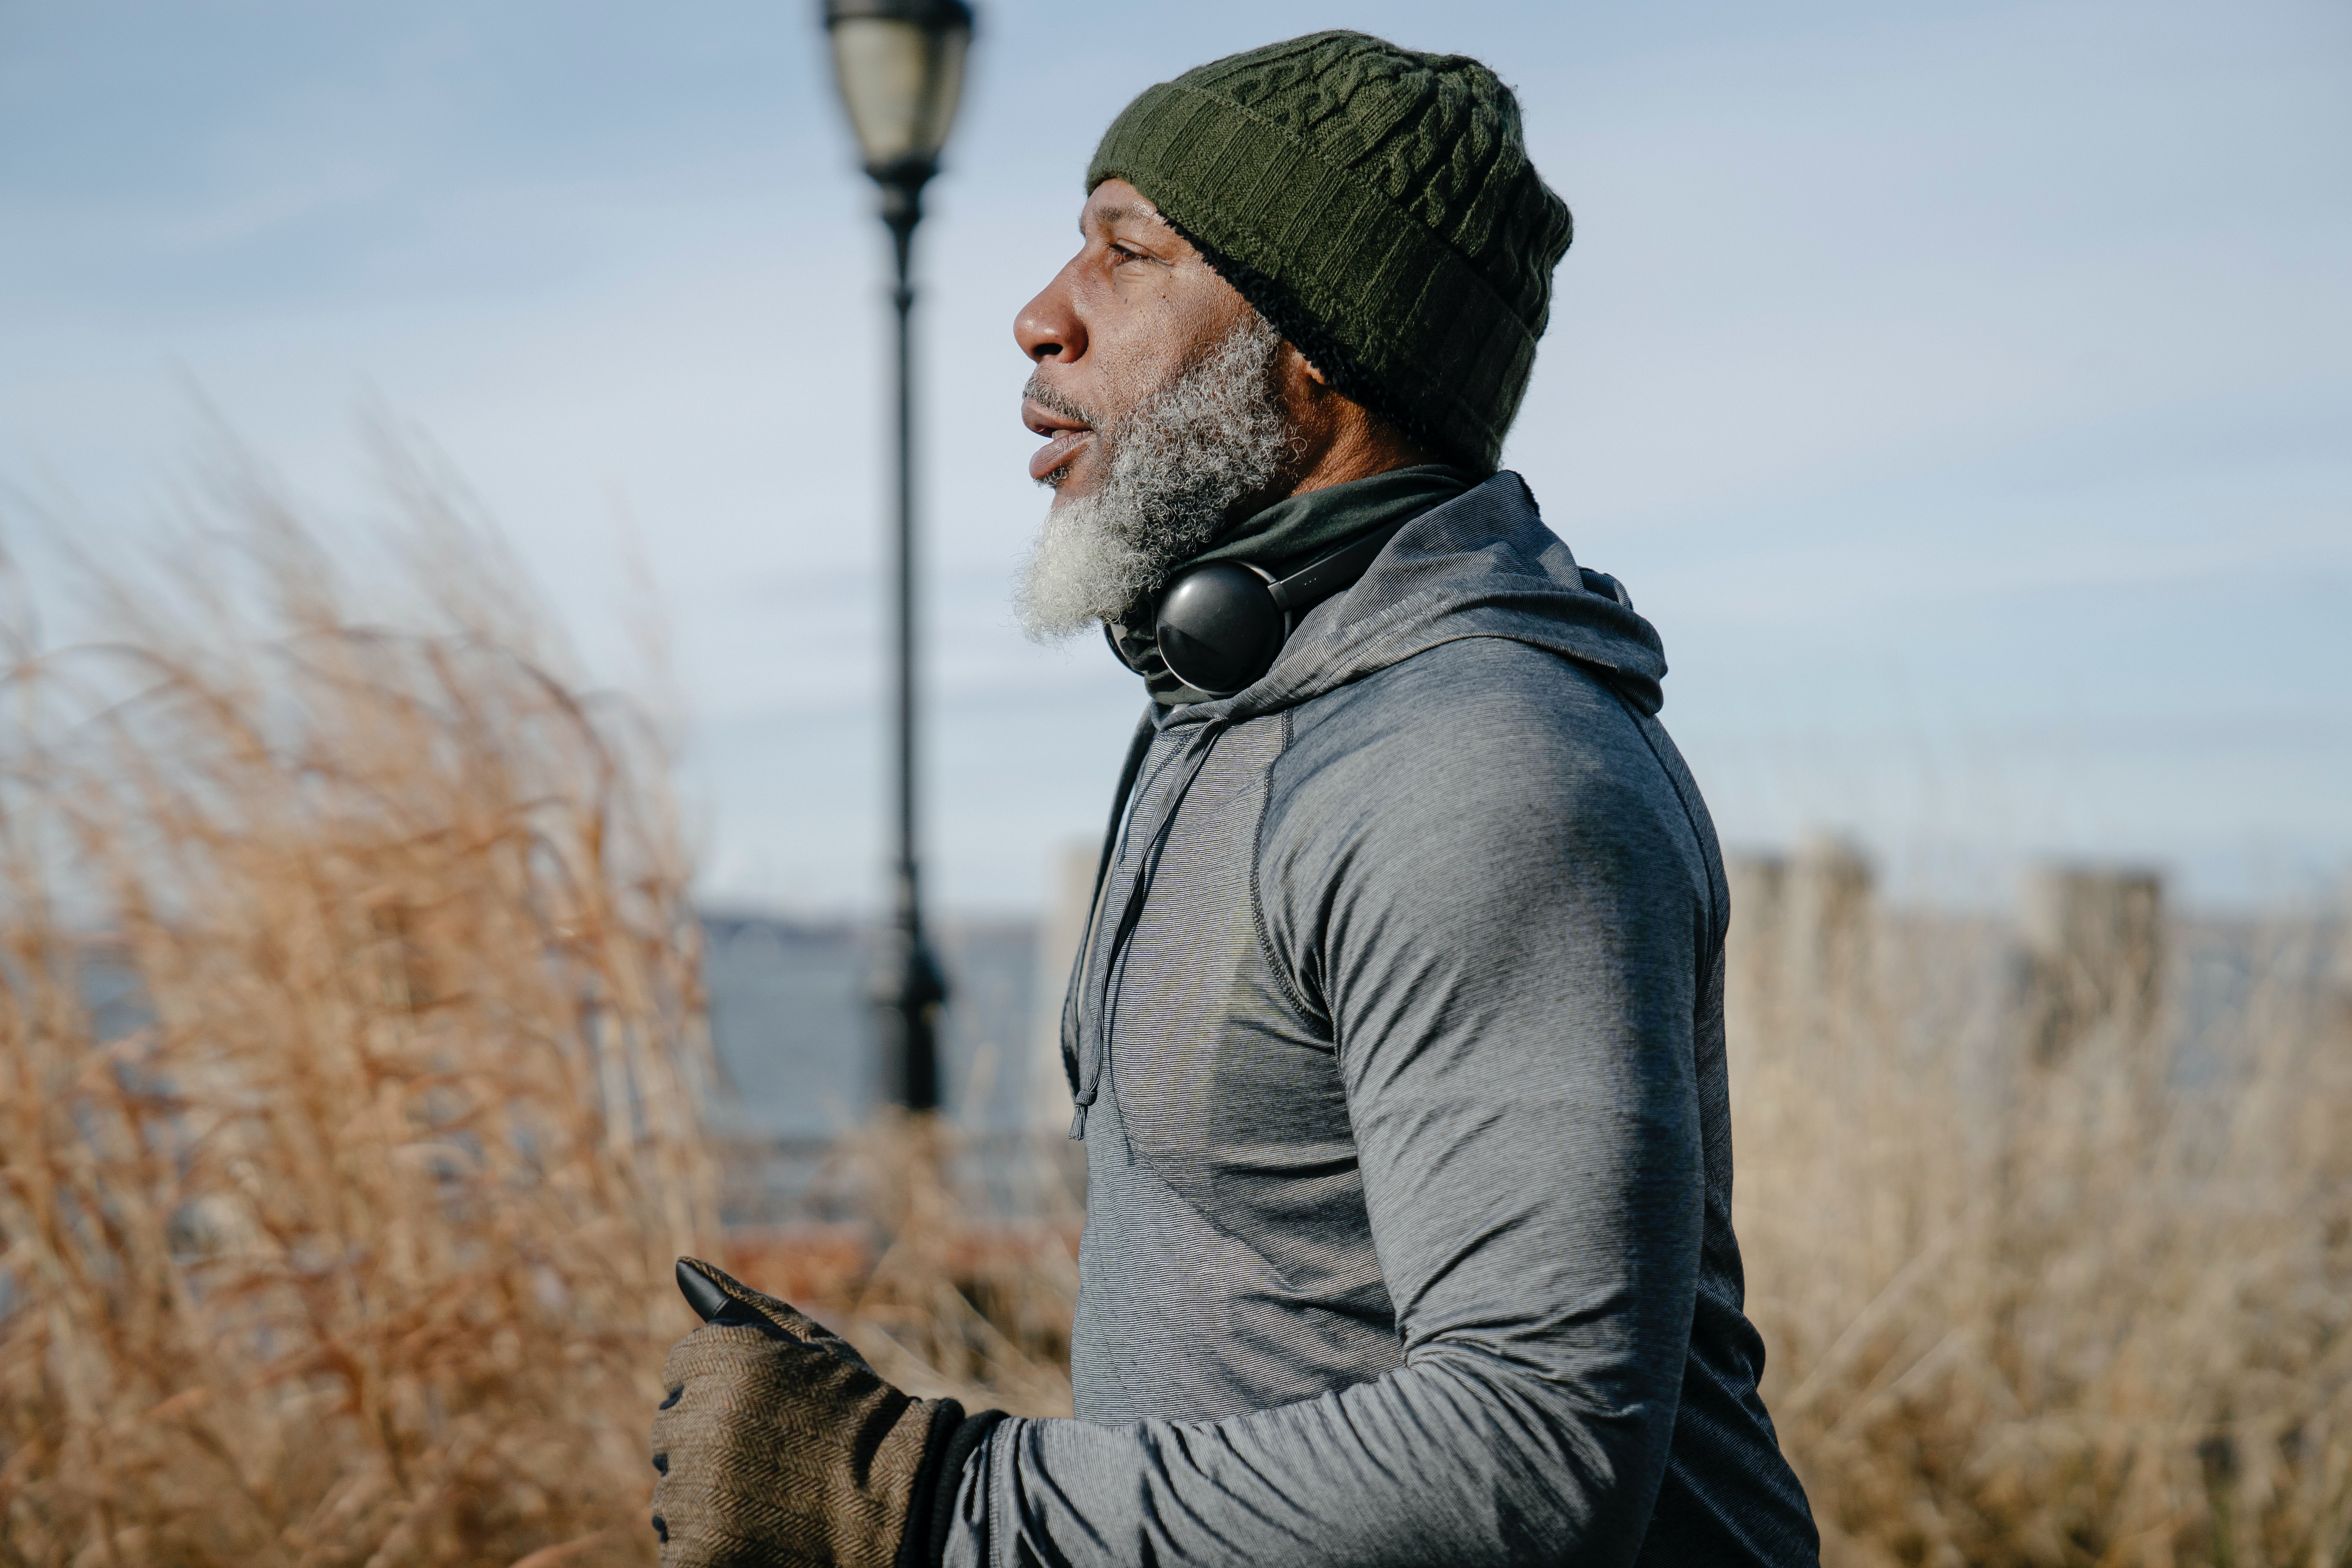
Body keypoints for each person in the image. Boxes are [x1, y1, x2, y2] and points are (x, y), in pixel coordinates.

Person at [651, 30, 1821, 1568]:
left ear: (1319, 347)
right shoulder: (1228, 705)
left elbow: (1532, 1450)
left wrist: (921, 1501)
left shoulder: (1479, 767)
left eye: (1127, 252)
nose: (1041, 314)